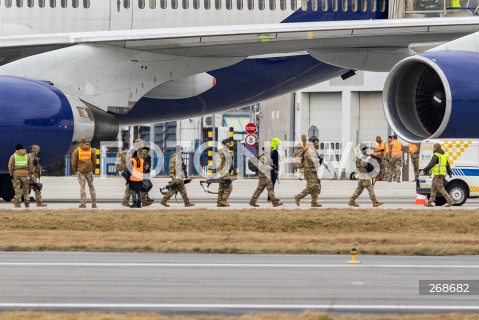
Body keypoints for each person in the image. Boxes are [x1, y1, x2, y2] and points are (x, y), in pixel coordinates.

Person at [348, 143, 383, 207]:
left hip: (361, 175)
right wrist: (369, 158)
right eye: (366, 149)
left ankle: (351, 201)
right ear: (364, 149)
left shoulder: (362, 155)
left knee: (359, 189)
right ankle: (375, 202)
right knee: (370, 188)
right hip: (364, 175)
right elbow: (363, 164)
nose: (366, 150)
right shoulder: (361, 156)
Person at [421, 143, 454, 207]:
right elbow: (448, 165)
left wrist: (424, 170)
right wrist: (450, 173)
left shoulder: (436, 155)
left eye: (433, 147)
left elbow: (431, 164)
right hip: (440, 174)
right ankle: (430, 202)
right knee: (433, 188)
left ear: (436, 148)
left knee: (441, 188)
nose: (433, 149)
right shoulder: (444, 155)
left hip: (438, 175)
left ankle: (450, 201)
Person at [294, 137, 322, 208]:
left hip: (313, 171)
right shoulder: (310, 150)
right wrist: (319, 159)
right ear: (312, 143)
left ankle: (314, 202)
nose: (317, 144)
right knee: (311, 186)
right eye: (316, 142)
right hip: (309, 172)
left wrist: (319, 160)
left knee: (317, 186)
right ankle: (298, 197)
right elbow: (312, 159)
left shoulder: (313, 150)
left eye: (318, 142)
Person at [71, 137, 97, 208]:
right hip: (89, 171)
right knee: (91, 187)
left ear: (80, 142)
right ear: (86, 142)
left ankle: (83, 203)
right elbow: (94, 161)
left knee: (82, 187)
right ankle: (94, 203)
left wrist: (75, 170)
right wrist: (92, 168)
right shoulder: (91, 150)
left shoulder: (77, 150)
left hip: (81, 171)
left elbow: (73, 162)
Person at [8, 144, 32, 208]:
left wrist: (11, 174)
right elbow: (30, 166)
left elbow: (10, 166)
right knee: (26, 189)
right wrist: (28, 173)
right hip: (25, 174)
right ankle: (27, 204)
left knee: (17, 189)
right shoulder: (27, 156)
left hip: (16, 174)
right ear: (22, 148)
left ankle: (18, 204)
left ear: (16, 149)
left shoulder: (13, 156)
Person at [216, 139, 234, 207]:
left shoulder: (227, 151)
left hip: (226, 172)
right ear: (224, 144)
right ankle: (223, 200)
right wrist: (218, 173)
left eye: (229, 142)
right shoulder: (221, 152)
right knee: (229, 187)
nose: (229, 144)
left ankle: (219, 202)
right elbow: (218, 163)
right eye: (227, 143)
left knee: (222, 188)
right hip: (223, 172)